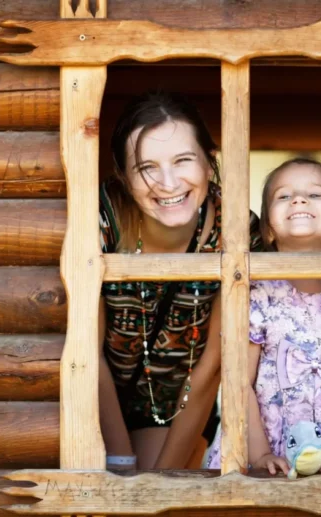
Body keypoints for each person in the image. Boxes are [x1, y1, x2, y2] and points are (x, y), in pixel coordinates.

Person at [98, 91, 263, 470]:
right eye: (146, 167)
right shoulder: (102, 218)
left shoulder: (235, 228)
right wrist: (120, 458)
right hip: (93, 401)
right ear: (123, 176)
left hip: (182, 407)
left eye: (183, 160)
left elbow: (216, 363)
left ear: (210, 163)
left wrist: (162, 480)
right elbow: (85, 353)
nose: (168, 183)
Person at [207, 157, 321, 474]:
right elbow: (238, 384)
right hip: (260, 455)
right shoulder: (256, 294)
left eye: (315, 194)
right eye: (284, 196)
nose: (298, 199)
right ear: (269, 230)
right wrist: (258, 457)